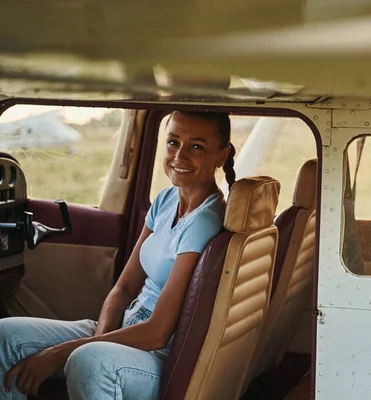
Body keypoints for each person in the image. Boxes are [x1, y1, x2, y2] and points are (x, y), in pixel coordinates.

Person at [0, 110, 236, 399]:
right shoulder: (165, 199)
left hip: (158, 353)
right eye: (173, 142)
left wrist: (69, 352)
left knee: (88, 360)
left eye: (196, 146)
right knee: (6, 336)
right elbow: (124, 288)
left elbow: (158, 332)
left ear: (221, 155)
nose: (179, 155)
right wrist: (99, 339)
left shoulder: (204, 221)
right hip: (128, 326)